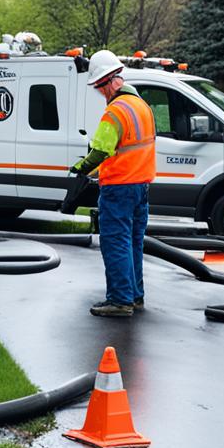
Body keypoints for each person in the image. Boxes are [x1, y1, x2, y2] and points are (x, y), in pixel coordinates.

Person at [70, 50, 156, 317]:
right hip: (141, 186)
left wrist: (81, 168)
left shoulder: (115, 112)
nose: (100, 93)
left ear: (110, 82)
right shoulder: (142, 106)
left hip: (118, 188)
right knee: (133, 242)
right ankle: (134, 295)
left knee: (115, 242)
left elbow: (101, 150)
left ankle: (119, 300)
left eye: (99, 87)